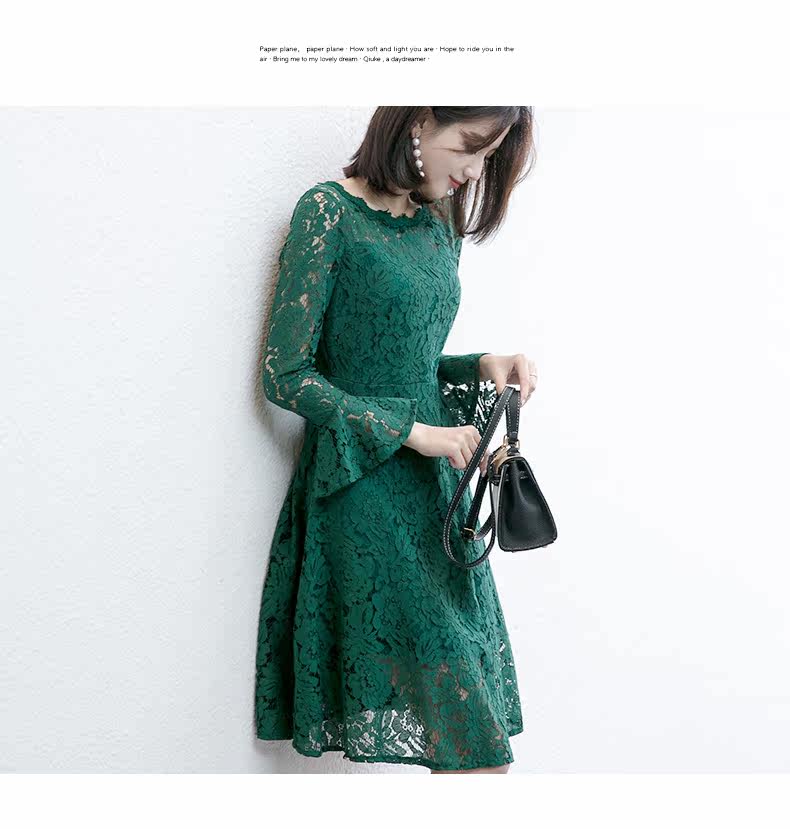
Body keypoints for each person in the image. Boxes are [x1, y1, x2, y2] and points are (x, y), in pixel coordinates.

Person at [255, 106, 539, 774]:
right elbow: (285, 375)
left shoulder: (439, 226)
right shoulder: (328, 213)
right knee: (474, 745)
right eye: (470, 147)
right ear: (419, 120)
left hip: (436, 495)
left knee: (473, 733)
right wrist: (410, 432)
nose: (475, 172)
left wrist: (481, 365)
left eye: (488, 158)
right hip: (363, 490)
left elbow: (410, 365)